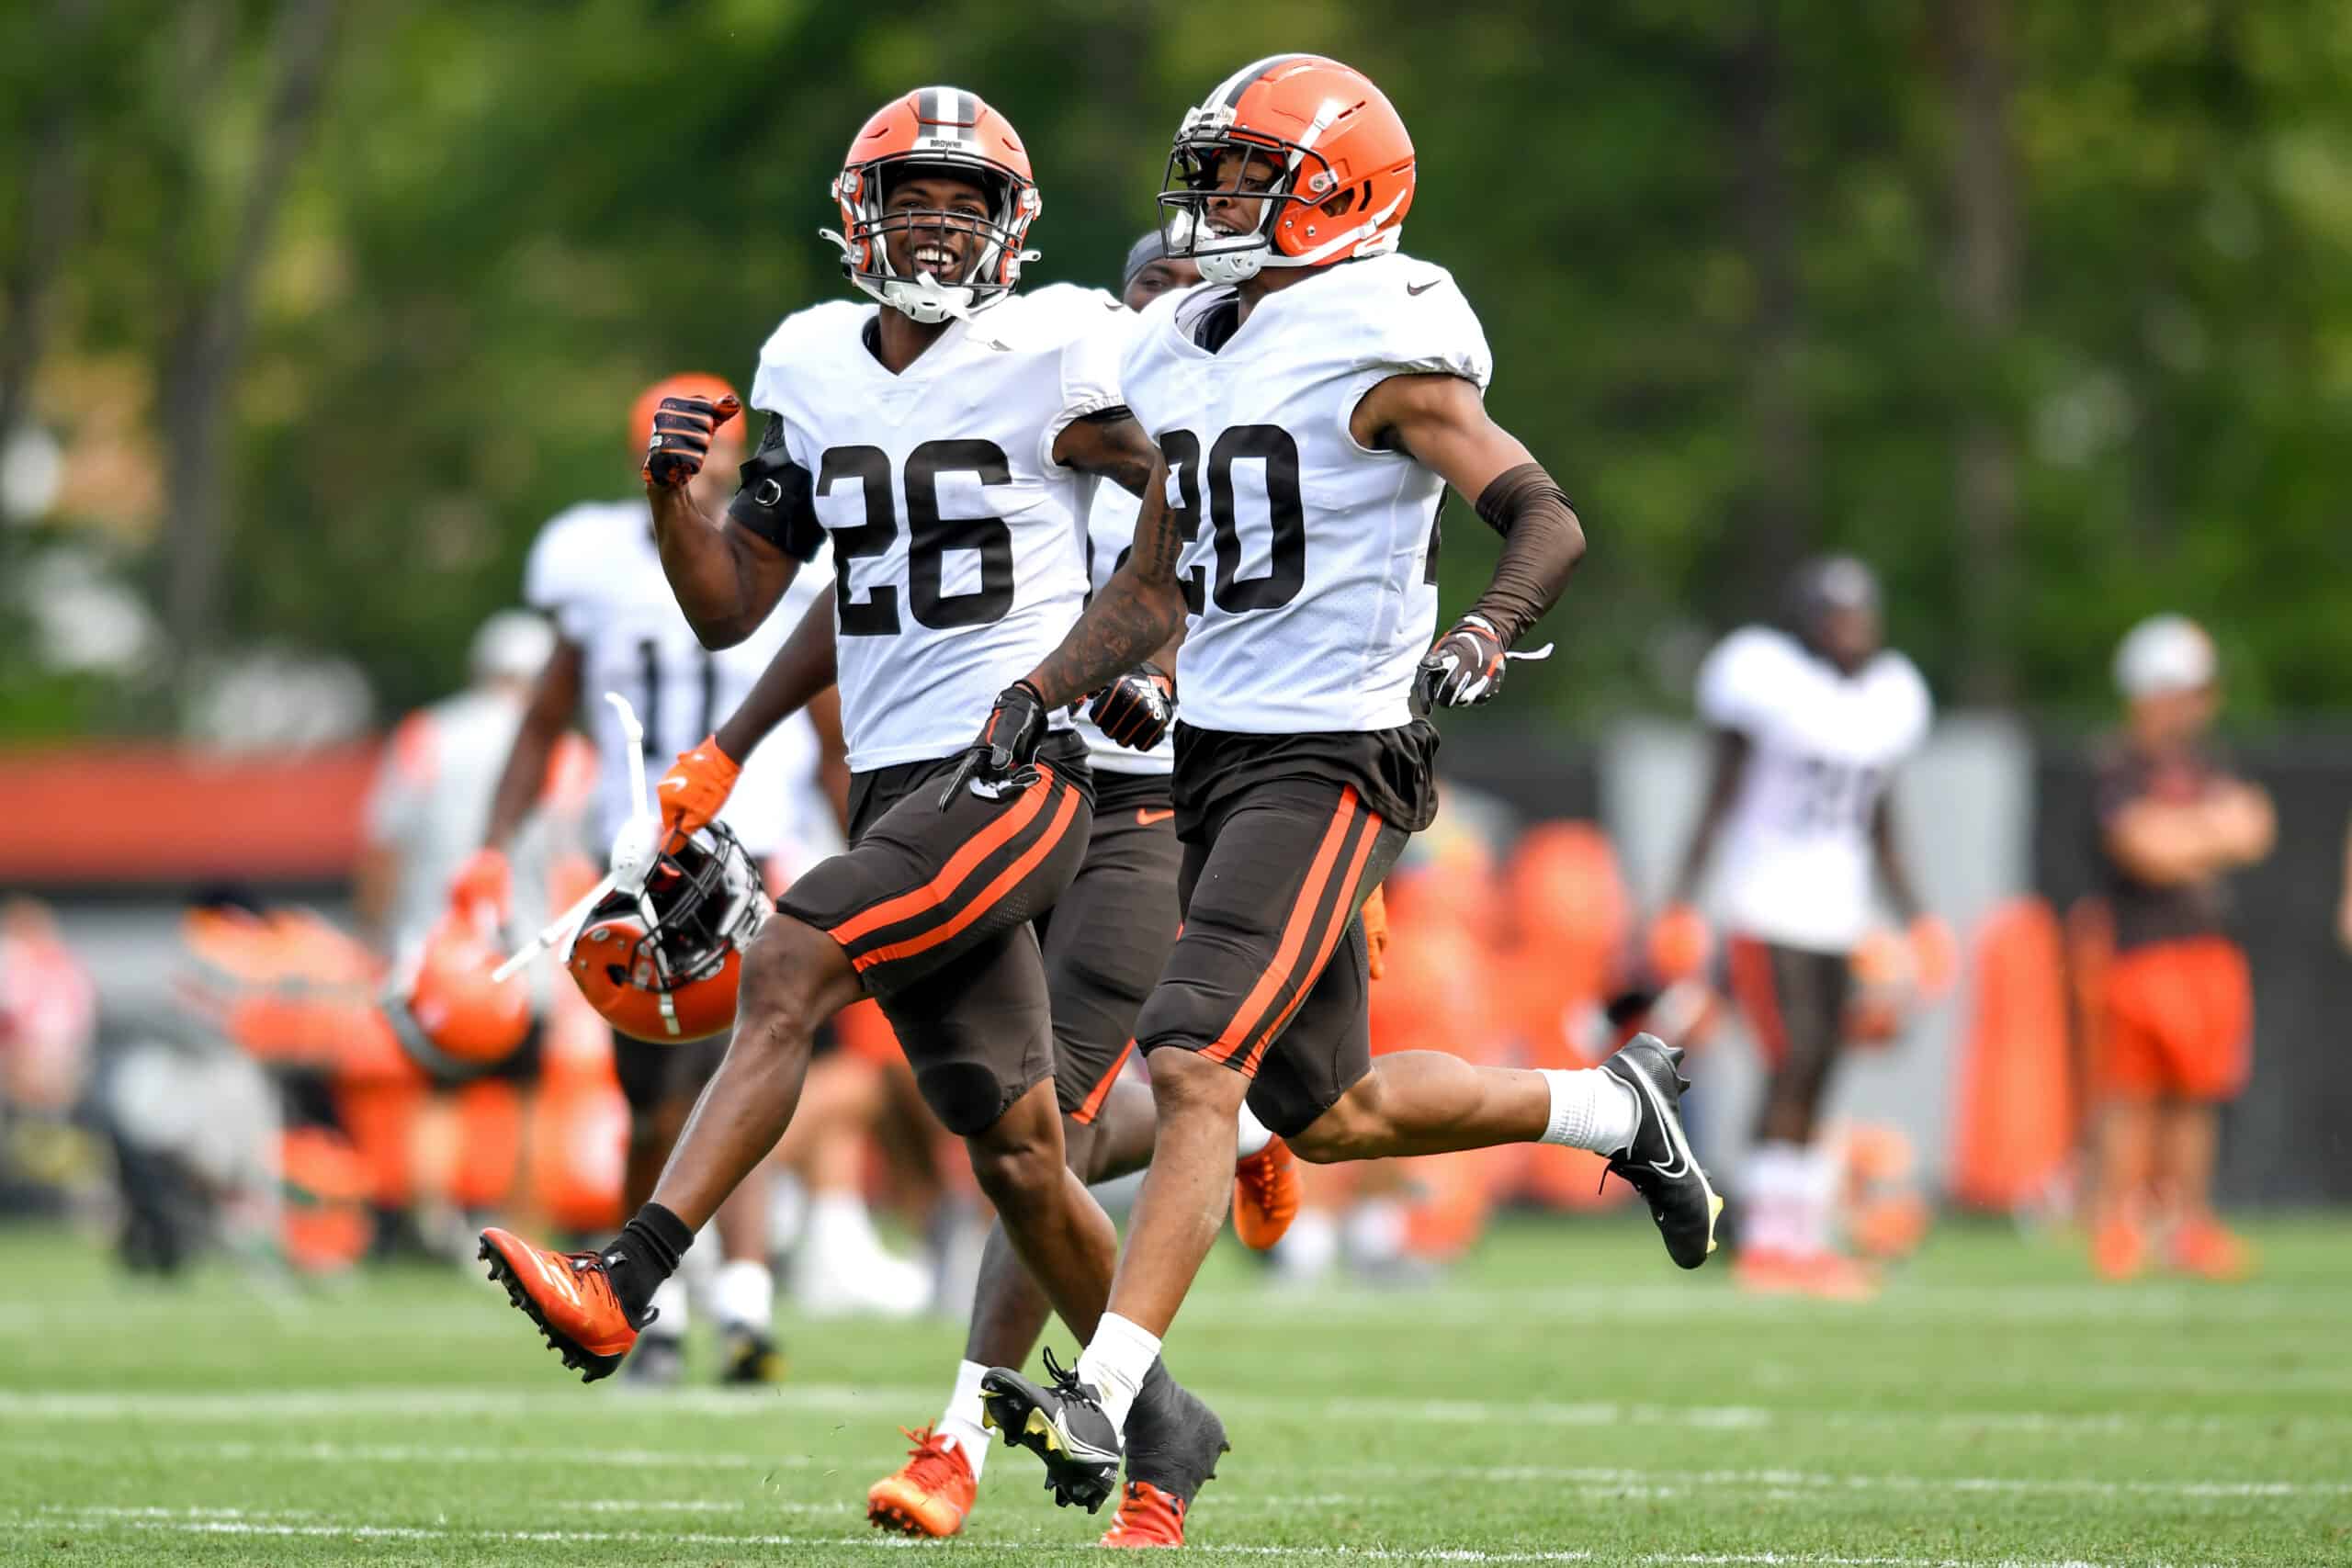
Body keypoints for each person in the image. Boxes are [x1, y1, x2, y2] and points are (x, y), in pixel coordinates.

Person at [949, 54, 1721, 1528]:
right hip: (1219, 749)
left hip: (1342, 751)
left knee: (1190, 1059)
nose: (1219, 196)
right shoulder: (1182, 341)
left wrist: (1485, 626)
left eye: (1249, 173)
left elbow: (1542, 509)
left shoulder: (1387, 330)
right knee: (1332, 1108)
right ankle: (1614, 1107)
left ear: (1340, 189)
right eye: (1218, 170)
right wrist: (1039, 690)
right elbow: (1157, 577)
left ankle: (1105, 1392)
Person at [475, 87, 1228, 1517]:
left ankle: (627, 1274)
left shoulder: (1059, 341)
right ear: (856, 214)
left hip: (1021, 760)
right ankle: (1166, 1423)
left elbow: (1191, 489)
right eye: (914, 196)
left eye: (967, 200)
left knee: (790, 958)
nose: (939, 224)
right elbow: (738, 603)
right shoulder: (810, 361)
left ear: (1011, 227)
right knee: (1015, 1148)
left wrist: (1139, 640)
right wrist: (675, 505)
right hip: (895, 770)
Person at [651, 230, 1296, 1546]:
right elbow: (865, 591)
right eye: (1153, 304)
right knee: (1013, 1134)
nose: (1170, 327)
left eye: (1197, 306)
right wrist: (735, 738)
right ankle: (1213, 1146)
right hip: (994, 774)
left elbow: (1283, 632)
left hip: (1150, 799)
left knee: (1037, 1123)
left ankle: (960, 1433)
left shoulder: (1249, 447)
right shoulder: (1056, 400)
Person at [456, 372, 881, 1384]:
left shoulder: (777, 555)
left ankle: (741, 1305)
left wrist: (868, 835)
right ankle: (660, 1301)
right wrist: (492, 844)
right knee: (652, 1101)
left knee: (747, 1069)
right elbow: (545, 715)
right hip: (637, 868)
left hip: (755, 851)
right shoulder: (593, 560)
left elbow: (826, 726)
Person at [1652, 555, 1947, 1300]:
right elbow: (1715, 798)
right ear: (1805, 621)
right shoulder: (1767, 681)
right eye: (1834, 614)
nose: (1849, 629)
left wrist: (1919, 920)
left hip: (1838, 913)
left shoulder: (1884, 699)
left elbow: (1881, 823)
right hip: (1764, 903)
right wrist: (1682, 899)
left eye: (1859, 615)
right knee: (1797, 1057)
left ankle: (1799, 1235)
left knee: (1821, 1068)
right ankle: (1769, 1241)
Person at [2086, 614, 2271, 1280]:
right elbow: (2144, 849)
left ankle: (2186, 1224)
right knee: (2132, 1093)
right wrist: (2207, 832)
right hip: (2140, 950)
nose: (2199, 706)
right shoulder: (2117, 760)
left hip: (2208, 949)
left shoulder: (2211, 759)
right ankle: (2118, 1224)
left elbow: (2254, 828)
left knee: (2197, 1094)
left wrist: (2182, 835)